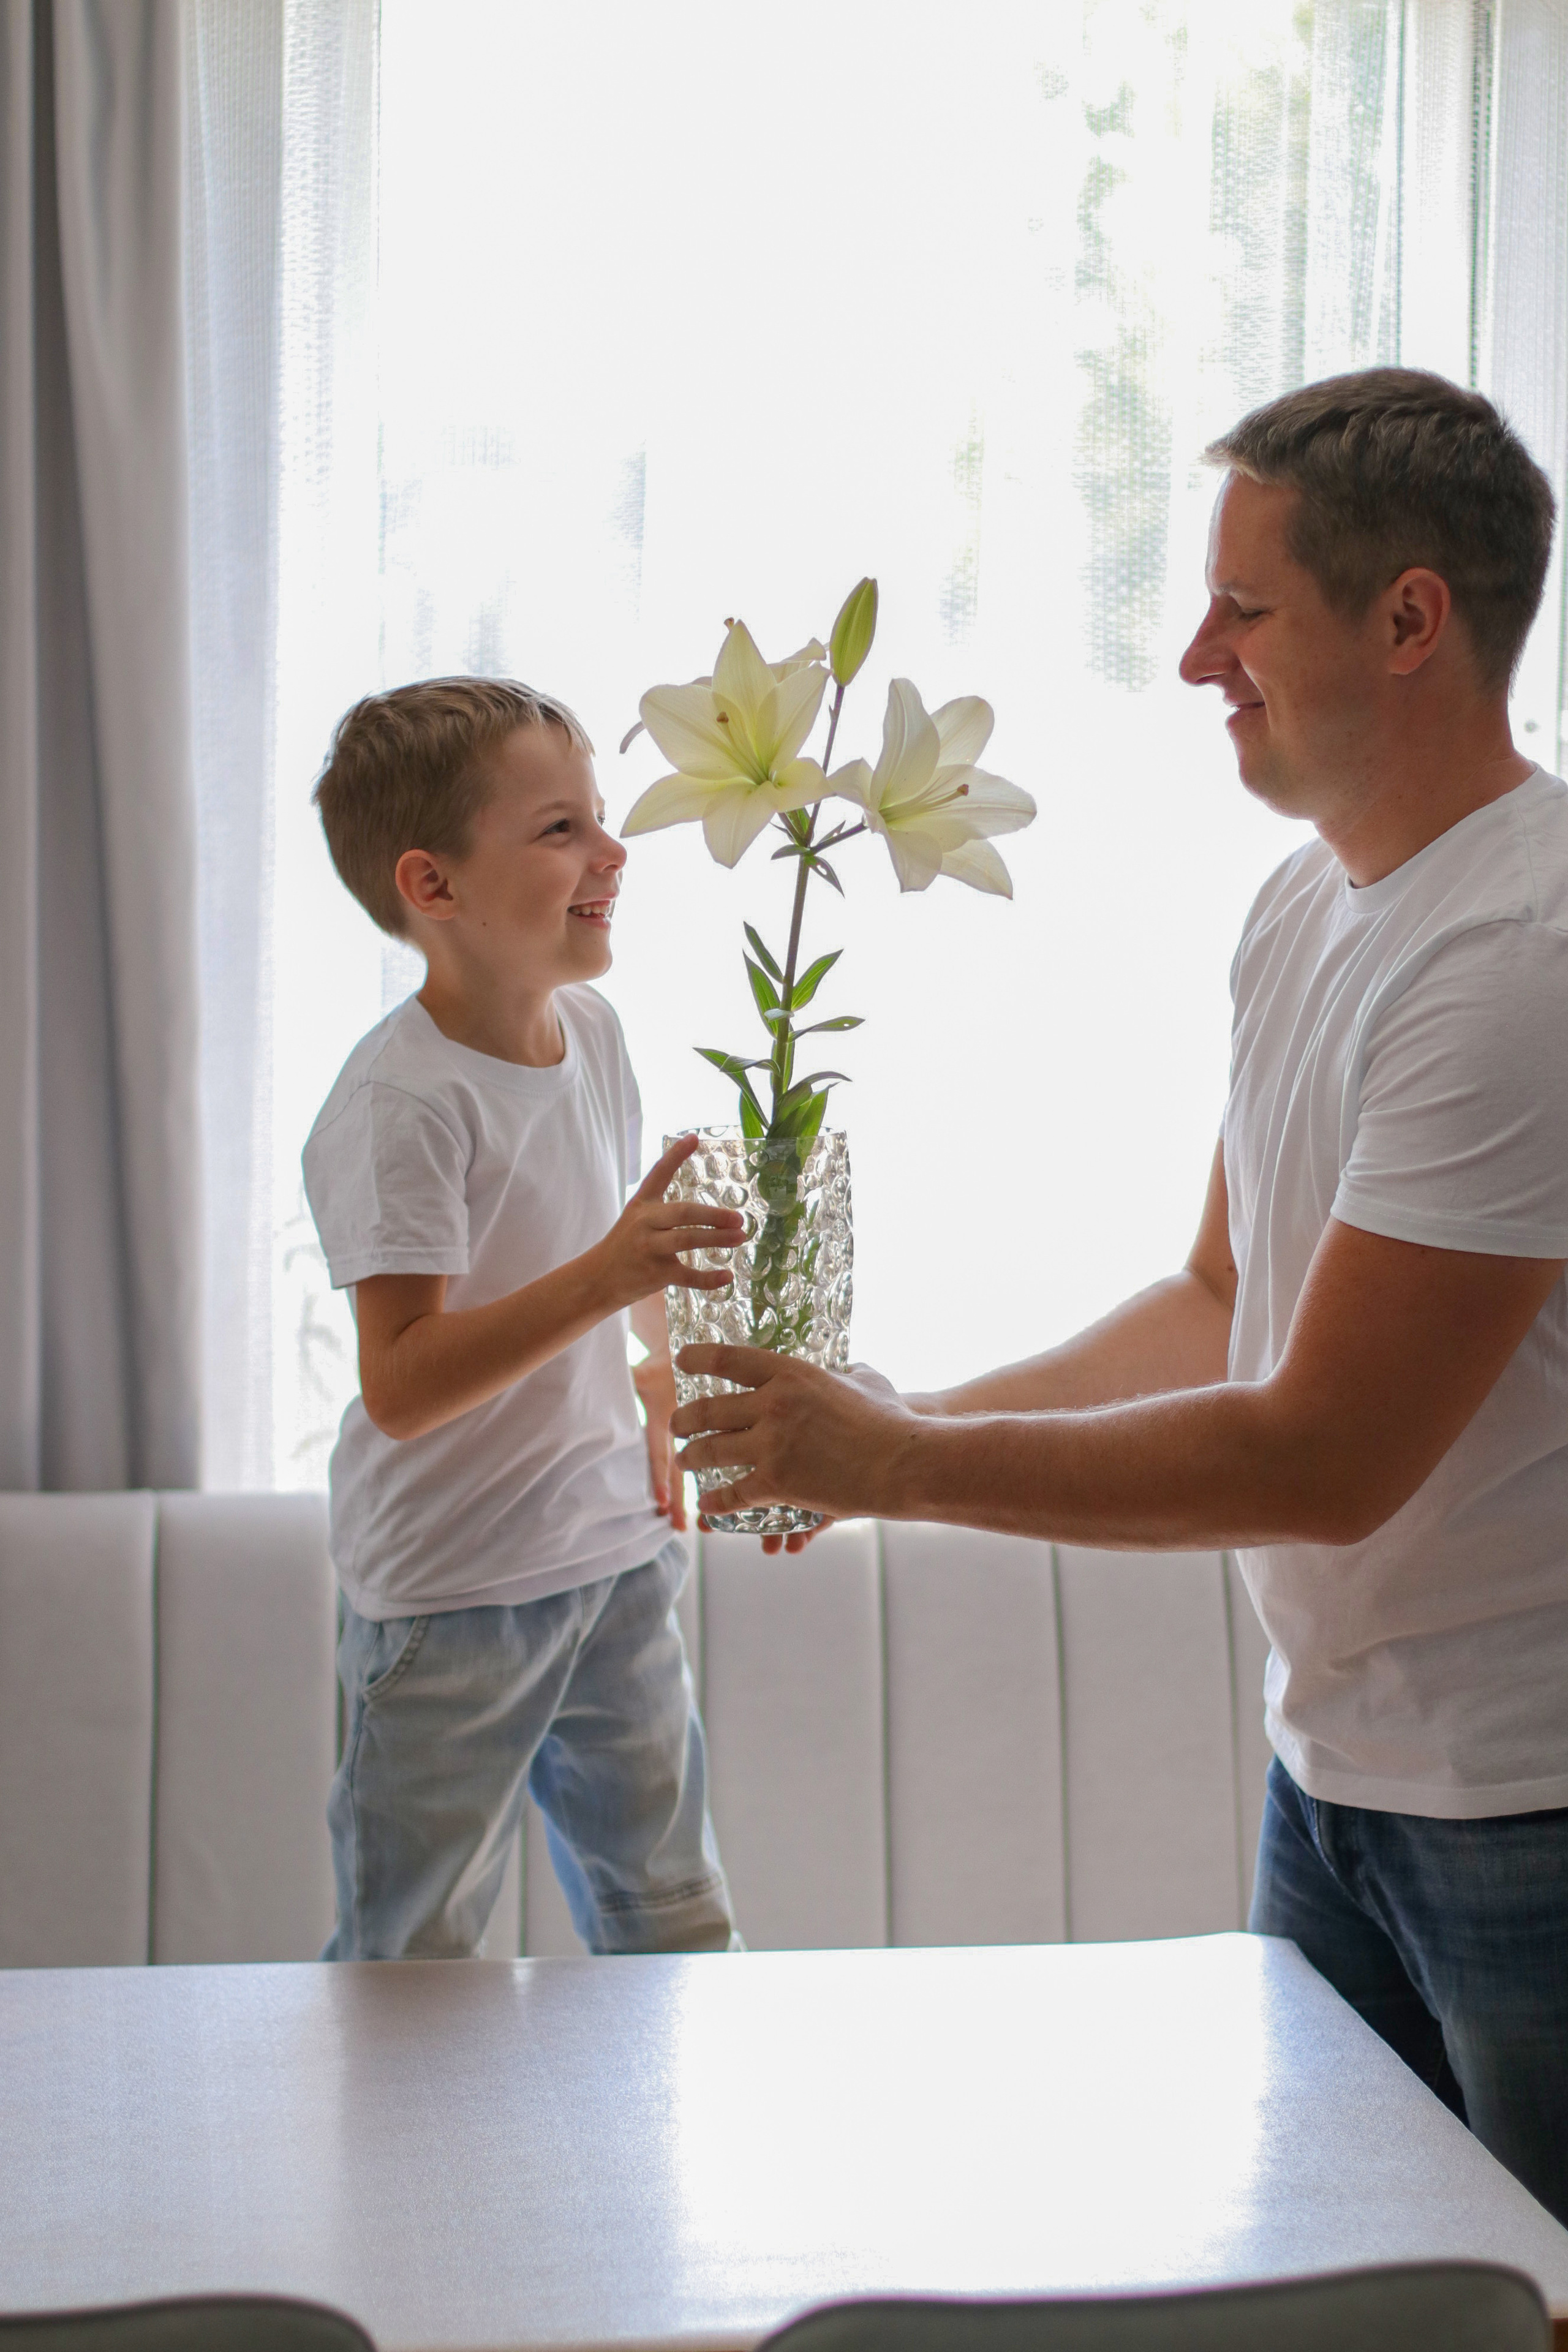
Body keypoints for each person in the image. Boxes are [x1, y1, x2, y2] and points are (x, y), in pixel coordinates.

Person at [671, 369, 1568, 2218]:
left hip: (1525, 1808)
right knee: (1344, 2297)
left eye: (1243, 610)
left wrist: (896, 1469)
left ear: (1410, 620)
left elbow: (1320, 1457)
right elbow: (1217, 1297)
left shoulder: (1519, 958)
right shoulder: (1305, 908)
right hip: (1336, 1776)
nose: (1191, 660)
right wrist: (894, 1420)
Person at [303, 677, 745, 1959]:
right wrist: (606, 1279)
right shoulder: (401, 1104)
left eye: (599, 817)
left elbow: (624, 1252)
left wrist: (659, 1386)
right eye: (562, 830)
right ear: (432, 886)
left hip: (611, 1561)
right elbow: (403, 1383)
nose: (613, 852)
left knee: (674, 1919)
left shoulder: (591, 1033)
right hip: (451, 1597)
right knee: (412, 1958)